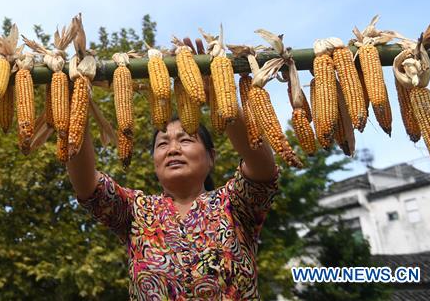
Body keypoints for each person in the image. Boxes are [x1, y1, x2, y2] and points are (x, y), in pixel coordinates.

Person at [67, 109, 279, 300]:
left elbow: (262, 168)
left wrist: (222, 98)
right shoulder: (137, 211)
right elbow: (87, 185)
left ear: (211, 157)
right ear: (154, 162)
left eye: (185, 140)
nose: (173, 149)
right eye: (162, 143)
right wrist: (77, 106)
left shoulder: (235, 204)